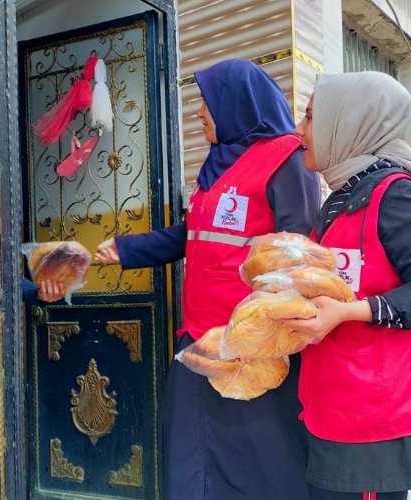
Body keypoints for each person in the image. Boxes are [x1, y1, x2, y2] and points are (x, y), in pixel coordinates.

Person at [95, 59, 321, 500]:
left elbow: (298, 253)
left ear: (237, 104)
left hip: (252, 346)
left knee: (259, 457)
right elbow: (191, 235)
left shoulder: (285, 159)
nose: (199, 113)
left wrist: (269, 331)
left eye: (207, 103)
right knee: (192, 447)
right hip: (200, 337)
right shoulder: (218, 168)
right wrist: (125, 249)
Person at [284, 72, 411, 500]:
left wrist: (348, 312)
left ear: (347, 123)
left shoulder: (396, 195)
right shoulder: (340, 197)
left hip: (374, 418)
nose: (299, 130)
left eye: (310, 118)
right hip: (333, 403)